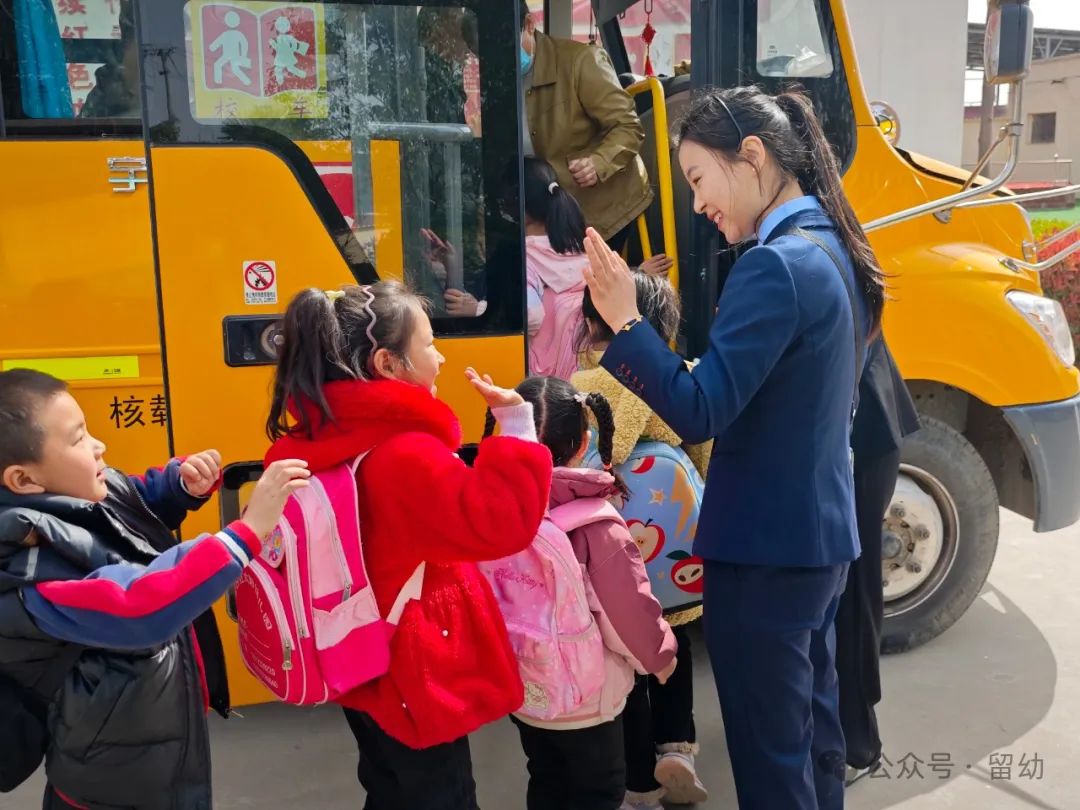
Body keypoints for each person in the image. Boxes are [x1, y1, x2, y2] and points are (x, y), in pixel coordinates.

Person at [581, 86, 887, 810]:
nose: (697, 204)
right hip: (816, 541)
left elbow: (701, 408)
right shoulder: (826, 248)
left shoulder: (772, 265)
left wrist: (626, 323)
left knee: (771, 759)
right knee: (812, 741)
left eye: (697, 179)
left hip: (763, 553)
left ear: (750, 157)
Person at [262, 282, 552, 810]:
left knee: (388, 785)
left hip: (357, 656)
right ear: (389, 364)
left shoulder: (321, 436)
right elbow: (500, 524)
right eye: (430, 342)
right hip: (414, 671)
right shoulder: (407, 454)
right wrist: (515, 425)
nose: (440, 357)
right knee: (442, 795)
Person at [0, 368, 310, 809]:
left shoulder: (82, 497)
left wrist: (178, 485)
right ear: (24, 481)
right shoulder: (30, 572)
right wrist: (246, 533)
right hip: (112, 789)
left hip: (157, 757)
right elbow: (138, 606)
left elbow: (132, 500)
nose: (98, 445)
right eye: (78, 439)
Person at [483, 376, 677, 810]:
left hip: (524, 687)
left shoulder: (495, 508)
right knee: (598, 791)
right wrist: (659, 657)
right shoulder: (594, 524)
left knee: (546, 778)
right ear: (584, 440)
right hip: (587, 700)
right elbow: (627, 616)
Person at [573, 273, 710, 808]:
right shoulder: (678, 381)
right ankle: (677, 748)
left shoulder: (578, 387)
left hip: (611, 565)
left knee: (626, 655)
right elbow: (701, 460)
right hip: (677, 563)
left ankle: (638, 778)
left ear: (588, 323)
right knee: (674, 648)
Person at [837, 336, 920, 784]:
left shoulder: (817, 267)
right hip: (855, 436)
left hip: (862, 440)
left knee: (851, 593)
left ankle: (859, 744)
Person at [518, 1, 653, 252]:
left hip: (600, 212)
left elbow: (628, 127)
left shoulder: (581, 61)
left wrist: (598, 162)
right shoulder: (500, 80)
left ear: (529, 25)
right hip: (542, 218)